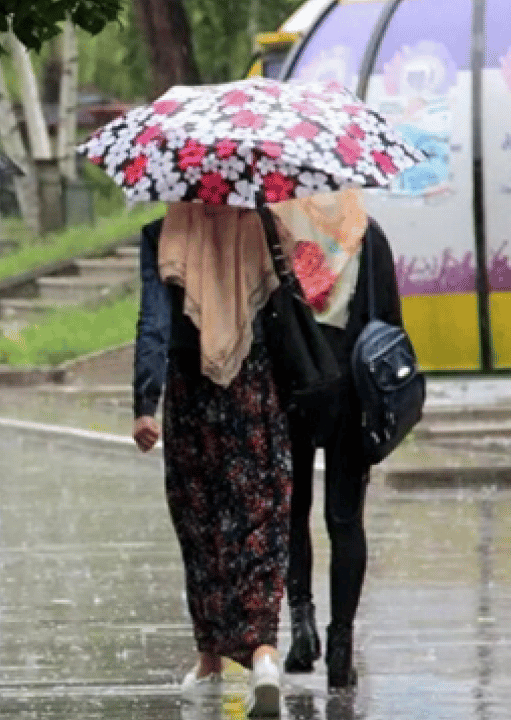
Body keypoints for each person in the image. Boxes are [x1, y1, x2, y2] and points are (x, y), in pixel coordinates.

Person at [132, 203, 291, 717]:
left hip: (189, 393)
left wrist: (144, 403)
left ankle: (211, 663)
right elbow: (292, 308)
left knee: (201, 524)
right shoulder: (264, 227)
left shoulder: (162, 234)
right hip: (255, 389)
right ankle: (264, 654)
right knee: (260, 518)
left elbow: (152, 321)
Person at [271, 191, 402, 689]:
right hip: (351, 391)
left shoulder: (277, 232)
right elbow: (389, 324)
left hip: (291, 387)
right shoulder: (368, 234)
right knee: (345, 520)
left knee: (292, 512)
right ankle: (341, 644)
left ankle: (302, 627)